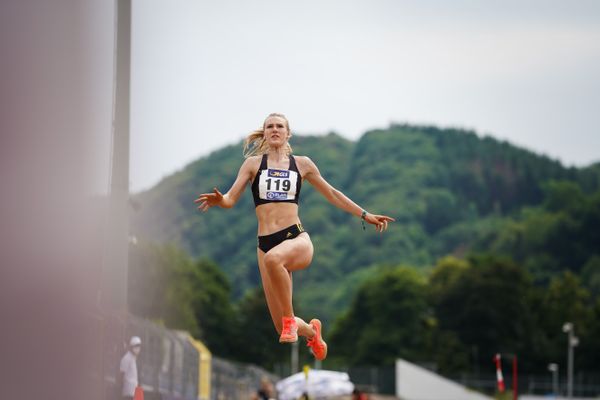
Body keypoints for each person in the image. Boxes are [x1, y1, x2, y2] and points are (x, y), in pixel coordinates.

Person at [195, 113, 394, 360]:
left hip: (295, 239)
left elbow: (332, 193)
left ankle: (291, 321)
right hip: (265, 244)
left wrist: (365, 214)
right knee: (280, 327)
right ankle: (312, 332)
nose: (275, 129)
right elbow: (230, 199)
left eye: (280, 126)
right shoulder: (253, 165)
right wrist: (220, 200)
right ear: (265, 133)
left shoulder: (302, 164)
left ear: (288, 133)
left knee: (274, 263)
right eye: (270, 126)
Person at [118, 336, 141, 400]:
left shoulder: (133, 358)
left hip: (134, 390)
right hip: (128, 392)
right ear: (131, 347)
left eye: (139, 346)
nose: (138, 348)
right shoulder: (126, 358)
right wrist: (120, 387)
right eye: (136, 346)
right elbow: (121, 373)